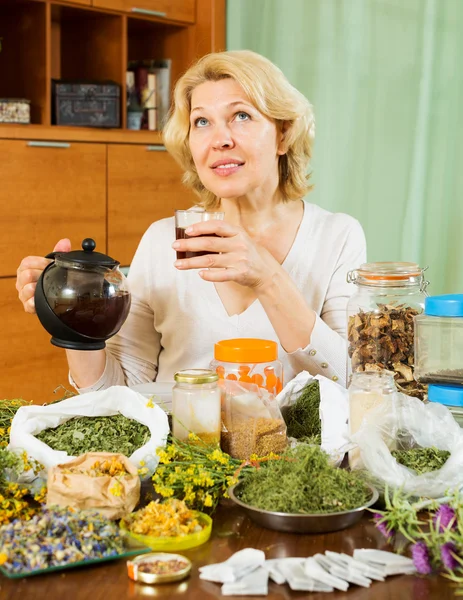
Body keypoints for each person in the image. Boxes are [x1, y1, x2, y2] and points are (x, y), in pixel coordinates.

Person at [16, 50, 366, 392]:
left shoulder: (337, 237)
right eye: (202, 122)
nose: (220, 140)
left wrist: (268, 279)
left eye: (241, 116)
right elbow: (120, 391)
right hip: (181, 449)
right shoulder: (161, 241)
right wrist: (72, 321)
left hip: (294, 451)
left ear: (284, 134)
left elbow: (351, 381)